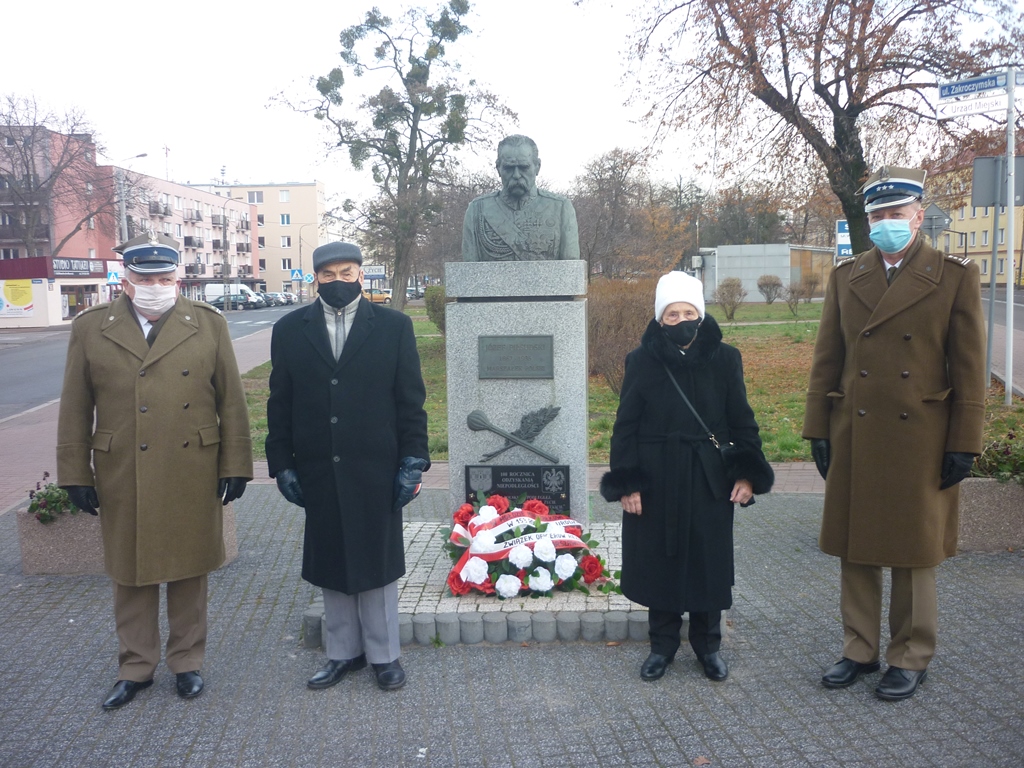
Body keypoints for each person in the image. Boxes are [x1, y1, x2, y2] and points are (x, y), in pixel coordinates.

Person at [803, 166, 986, 701]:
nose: (887, 223)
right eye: (877, 215)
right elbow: (827, 360)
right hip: (855, 429)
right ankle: (858, 649)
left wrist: (964, 441)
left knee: (913, 551)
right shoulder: (847, 276)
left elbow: (969, 367)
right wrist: (818, 428)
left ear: (918, 214)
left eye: (896, 214)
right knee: (855, 547)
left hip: (920, 435)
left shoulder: (952, 275)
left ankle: (910, 655)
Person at [56, 232, 253, 710]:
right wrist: (74, 473)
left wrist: (236, 464)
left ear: (179, 280)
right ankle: (135, 667)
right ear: (126, 282)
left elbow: (231, 399)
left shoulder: (207, 324)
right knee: (131, 572)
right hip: (124, 465)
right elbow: (76, 407)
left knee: (189, 570)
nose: (156, 286)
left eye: (165, 278)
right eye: (146, 278)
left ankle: (187, 662)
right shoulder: (91, 327)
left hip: (192, 464)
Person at [265, 242, 430, 692]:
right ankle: (342, 653)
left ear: (362, 274)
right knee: (332, 558)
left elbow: (410, 402)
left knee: (375, 561)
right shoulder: (289, 329)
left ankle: (384, 655)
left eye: (347, 271)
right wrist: (281, 463)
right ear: (315, 278)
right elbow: (279, 403)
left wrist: (413, 461)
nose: (339, 280)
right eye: (329, 274)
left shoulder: (394, 326)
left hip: (376, 465)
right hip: (318, 465)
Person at [600, 272, 774, 682]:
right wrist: (628, 483)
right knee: (659, 560)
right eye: (672, 313)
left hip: (707, 477)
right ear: (660, 319)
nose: (681, 320)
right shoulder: (640, 360)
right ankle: (661, 645)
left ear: (701, 313)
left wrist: (748, 475)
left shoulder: (726, 358)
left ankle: (707, 646)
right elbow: (625, 427)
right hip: (655, 477)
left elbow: (741, 422)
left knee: (707, 562)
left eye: (689, 312)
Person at [462, 134, 580, 261]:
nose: (517, 175)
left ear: (537, 167)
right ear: (498, 168)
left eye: (524, 167)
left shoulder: (560, 208)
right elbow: (469, 270)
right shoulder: (477, 210)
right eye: (509, 168)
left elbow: (571, 272)